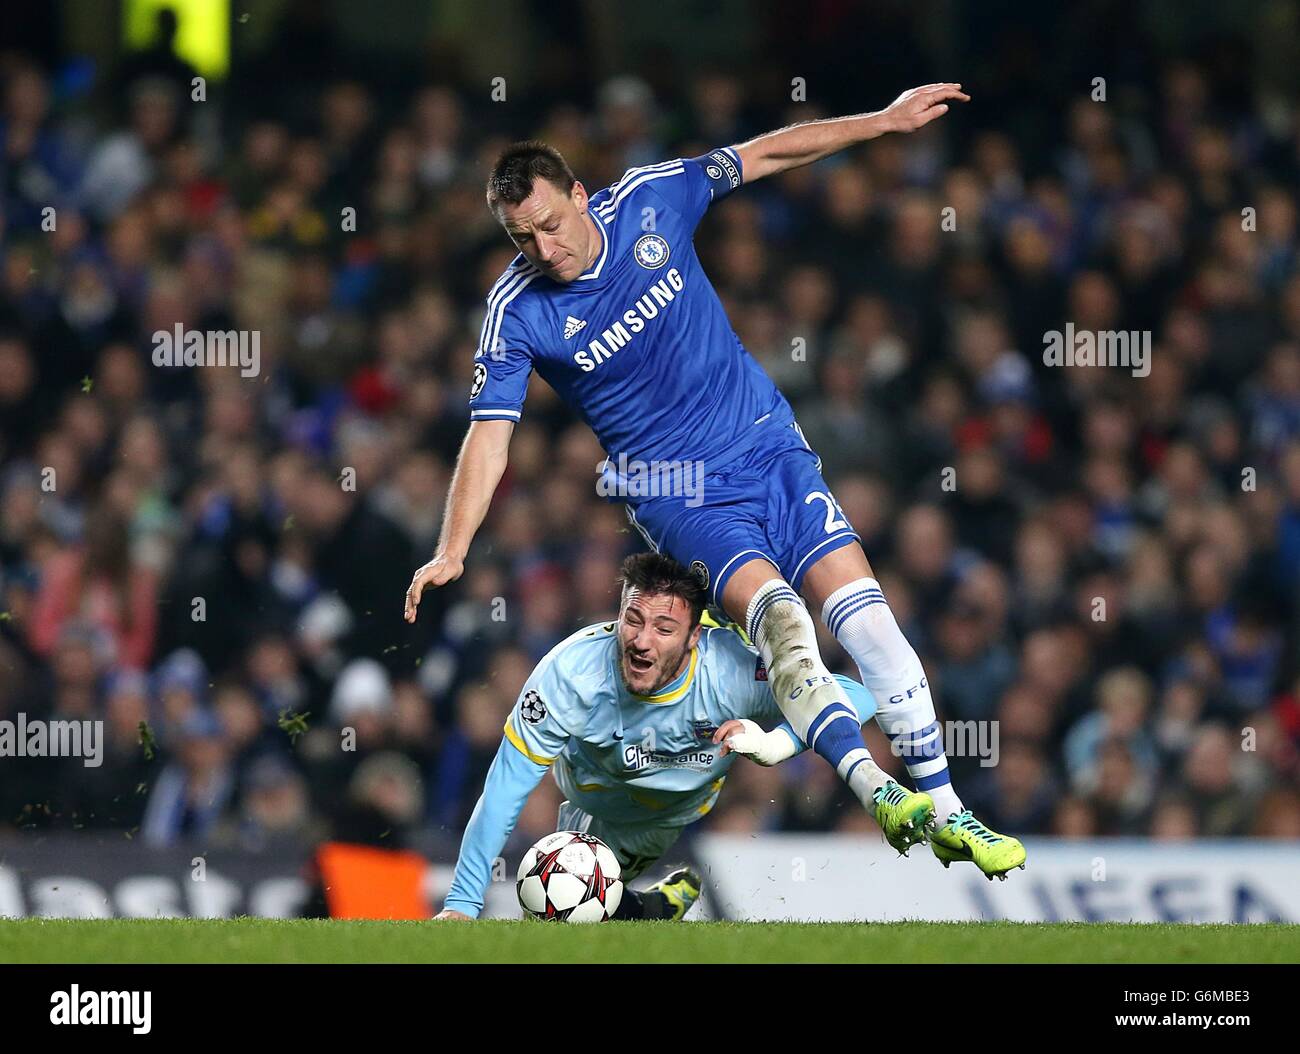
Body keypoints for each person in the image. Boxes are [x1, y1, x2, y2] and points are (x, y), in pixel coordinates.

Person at [406, 85, 1025, 878]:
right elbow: (490, 434)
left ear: (580, 197)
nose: (544, 250)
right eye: (523, 239)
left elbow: (767, 152)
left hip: (769, 448)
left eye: (552, 226)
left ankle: (947, 815)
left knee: (869, 625)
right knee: (784, 623)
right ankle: (877, 793)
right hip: (676, 492)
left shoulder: (653, 199)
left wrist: (881, 121)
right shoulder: (516, 310)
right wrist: (453, 547)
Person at [435, 553, 880, 920]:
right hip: (585, 797)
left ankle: (645, 908)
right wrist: (461, 903)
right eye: (633, 620)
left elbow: (858, 695)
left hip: (659, 819)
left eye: (664, 629)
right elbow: (504, 790)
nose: (642, 642)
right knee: (568, 914)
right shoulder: (571, 673)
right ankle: (652, 909)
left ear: (694, 638)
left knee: (567, 919)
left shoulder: (733, 672)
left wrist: (775, 741)